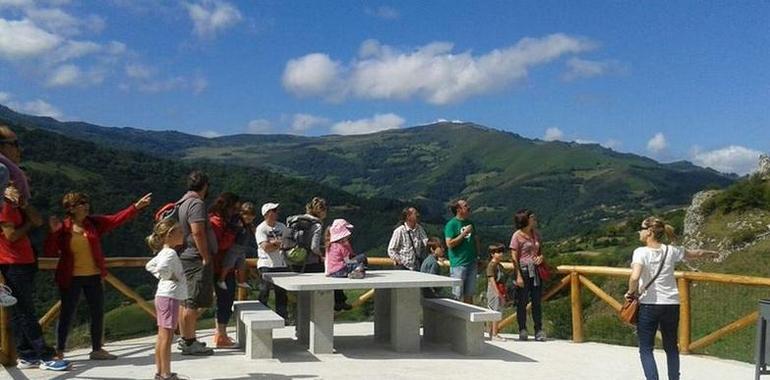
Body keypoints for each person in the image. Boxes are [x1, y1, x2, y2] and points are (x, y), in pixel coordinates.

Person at [45, 191, 152, 360]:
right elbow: (50, 251)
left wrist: (136, 207)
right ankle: (59, 350)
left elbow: (116, 219)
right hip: (70, 276)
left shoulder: (93, 223)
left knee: (97, 312)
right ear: (71, 208)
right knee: (67, 313)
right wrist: (54, 233)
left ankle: (96, 349)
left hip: (93, 275)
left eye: (86, 202)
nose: (86, 206)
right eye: (82, 203)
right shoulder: (63, 228)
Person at [0, 126, 68, 371]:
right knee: (26, 310)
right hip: (13, 260)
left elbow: (38, 219)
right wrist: (28, 220)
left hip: (23, 259)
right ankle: (45, 355)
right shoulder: (6, 203)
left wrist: (25, 204)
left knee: (20, 310)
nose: (19, 149)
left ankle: (27, 355)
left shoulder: (14, 200)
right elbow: (12, 234)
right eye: (14, 144)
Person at [626, 217, 717, 380]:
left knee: (646, 349)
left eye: (641, 229)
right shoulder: (671, 251)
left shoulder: (640, 252)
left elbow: (634, 277)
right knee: (671, 347)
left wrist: (631, 292)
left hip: (649, 305)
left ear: (649, 232)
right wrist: (712, 253)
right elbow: (696, 254)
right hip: (671, 304)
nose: (639, 232)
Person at [176, 170, 216, 355]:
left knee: (185, 301)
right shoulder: (197, 203)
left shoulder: (182, 202)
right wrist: (206, 256)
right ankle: (190, 342)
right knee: (192, 301)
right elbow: (197, 232)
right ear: (205, 186)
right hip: (194, 257)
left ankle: (185, 339)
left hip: (184, 256)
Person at [145, 219, 187, 380]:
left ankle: (160, 371)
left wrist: (164, 276)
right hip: (170, 296)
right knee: (167, 337)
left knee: (162, 335)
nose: (183, 234)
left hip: (163, 295)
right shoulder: (170, 253)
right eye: (180, 232)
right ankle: (166, 374)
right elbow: (162, 268)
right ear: (170, 235)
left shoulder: (164, 251)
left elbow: (149, 266)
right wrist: (170, 276)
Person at [208, 192, 240, 348]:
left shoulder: (215, 219)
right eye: (234, 208)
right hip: (220, 267)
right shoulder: (217, 222)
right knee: (226, 301)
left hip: (219, 266)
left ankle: (219, 333)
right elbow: (221, 246)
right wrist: (233, 230)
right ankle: (221, 336)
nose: (236, 212)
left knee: (222, 301)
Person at [510, 209, 545, 342]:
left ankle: (538, 330)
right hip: (524, 270)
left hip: (535, 270)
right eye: (532, 217)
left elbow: (540, 250)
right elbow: (514, 256)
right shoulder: (517, 236)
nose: (535, 219)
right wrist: (518, 275)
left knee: (537, 302)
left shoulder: (536, 234)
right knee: (522, 302)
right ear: (525, 219)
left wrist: (541, 257)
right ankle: (522, 329)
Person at [444, 199, 481, 304]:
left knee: (469, 295)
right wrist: (464, 233)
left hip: (472, 262)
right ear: (458, 209)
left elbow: (475, 239)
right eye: (465, 206)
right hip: (458, 264)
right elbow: (449, 244)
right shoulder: (451, 224)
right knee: (457, 295)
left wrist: (478, 255)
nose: (469, 207)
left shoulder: (470, 223)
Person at [256, 202, 288, 318]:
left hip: (281, 264)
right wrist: (278, 244)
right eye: (273, 211)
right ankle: (261, 317)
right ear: (267, 214)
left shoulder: (282, 226)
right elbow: (265, 247)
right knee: (264, 292)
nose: (276, 212)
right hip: (266, 264)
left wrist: (274, 244)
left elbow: (287, 243)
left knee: (281, 294)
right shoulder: (261, 228)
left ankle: (283, 317)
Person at [486, 243, 507, 342]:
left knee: (498, 310)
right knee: (495, 311)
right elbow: (492, 280)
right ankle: (494, 333)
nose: (501, 254)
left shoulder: (500, 265)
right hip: (494, 291)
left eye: (501, 252)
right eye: (498, 252)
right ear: (492, 254)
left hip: (500, 289)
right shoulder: (492, 265)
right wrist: (497, 292)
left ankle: (492, 332)